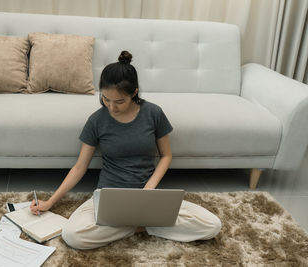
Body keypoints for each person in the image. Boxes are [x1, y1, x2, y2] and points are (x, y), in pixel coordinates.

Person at [30, 51, 221, 249]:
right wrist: (50, 202)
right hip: (108, 198)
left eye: (119, 101)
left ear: (134, 92)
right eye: (105, 99)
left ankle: (135, 224)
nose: (112, 107)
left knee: (213, 225)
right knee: (72, 235)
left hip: (147, 196)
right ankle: (142, 226)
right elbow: (79, 167)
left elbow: (166, 156)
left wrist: (150, 188)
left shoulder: (153, 113)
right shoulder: (96, 120)